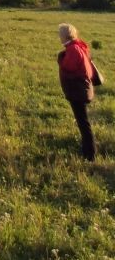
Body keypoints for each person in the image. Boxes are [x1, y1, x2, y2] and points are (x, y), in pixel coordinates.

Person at [57, 23, 96, 162]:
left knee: (83, 122)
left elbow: (68, 67)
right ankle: (87, 149)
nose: (59, 36)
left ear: (64, 35)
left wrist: (60, 58)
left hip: (78, 91)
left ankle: (89, 154)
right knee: (82, 121)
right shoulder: (77, 45)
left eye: (60, 34)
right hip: (81, 89)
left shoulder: (73, 49)